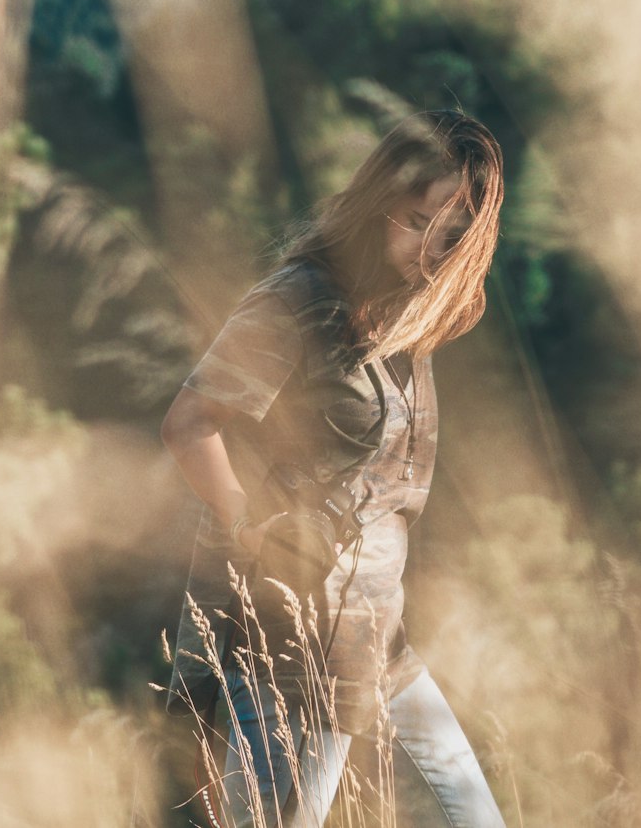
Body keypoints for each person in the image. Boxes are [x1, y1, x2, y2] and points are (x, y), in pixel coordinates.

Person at [161, 110, 507, 828]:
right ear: (378, 202)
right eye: (416, 221)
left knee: (472, 819)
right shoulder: (298, 300)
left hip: (381, 636)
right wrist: (253, 529)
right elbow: (190, 422)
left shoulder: (408, 314)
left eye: (450, 236)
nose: (429, 249)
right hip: (300, 643)